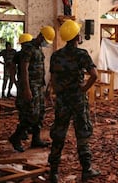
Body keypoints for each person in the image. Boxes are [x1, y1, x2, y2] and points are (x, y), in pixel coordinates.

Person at [48, 20, 100, 183]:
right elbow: (94, 75)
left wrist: (57, 93)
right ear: (76, 37)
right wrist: (84, 89)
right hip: (77, 99)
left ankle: (54, 172)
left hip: (62, 100)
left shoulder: (56, 55)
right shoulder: (81, 54)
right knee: (82, 133)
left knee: (59, 134)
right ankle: (86, 170)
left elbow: (53, 79)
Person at [9, 26, 55, 152]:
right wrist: (26, 89)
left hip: (39, 86)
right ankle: (16, 137)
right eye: (45, 40)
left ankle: (36, 139)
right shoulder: (28, 48)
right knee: (30, 114)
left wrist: (44, 89)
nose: (46, 43)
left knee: (40, 113)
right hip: (30, 87)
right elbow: (24, 69)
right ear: (40, 36)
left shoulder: (38, 48)